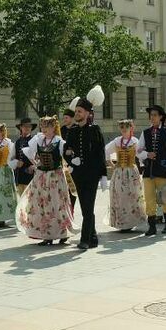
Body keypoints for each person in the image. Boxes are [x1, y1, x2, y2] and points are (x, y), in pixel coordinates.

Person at [16, 116, 74, 245]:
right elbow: (29, 153)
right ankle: (46, 234)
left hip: (55, 177)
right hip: (41, 176)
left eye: (46, 127)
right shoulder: (38, 140)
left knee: (56, 204)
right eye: (42, 127)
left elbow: (67, 158)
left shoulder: (60, 142)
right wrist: (36, 164)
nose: (44, 129)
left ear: (53, 127)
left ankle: (62, 232)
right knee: (41, 205)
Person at [64, 87, 108, 249]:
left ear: (88, 113)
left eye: (80, 111)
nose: (77, 114)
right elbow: (66, 150)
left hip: (92, 174)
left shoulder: (95, 130)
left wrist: (103, 175)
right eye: (76, 111)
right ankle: (94, 237)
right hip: (78, 174)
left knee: (88, 208)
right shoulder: (73, 131)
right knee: (85, 207)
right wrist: (71, 159)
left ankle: (85, 240)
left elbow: (100, 153)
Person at [138, 105, 166, 236]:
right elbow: (138, 151)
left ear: (161, 117)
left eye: (155, 115)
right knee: (149, 199)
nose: (152, 117)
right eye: (151, 115)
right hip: (148, 171)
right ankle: (152, 226)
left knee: (164, 198)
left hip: (162, 170)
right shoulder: (145, 133)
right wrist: (146, 155)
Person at [105, 119, 146, 231]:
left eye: (126, 127)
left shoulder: (135, 141)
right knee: (120, 197)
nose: (123, 130)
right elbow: (106, 151)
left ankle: (133, 221)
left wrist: (143, 164)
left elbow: (141, 154)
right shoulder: (117, 141)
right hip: (119, 172)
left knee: (133, 195)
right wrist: (111, 164)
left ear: (130, 128)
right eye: (121, 127)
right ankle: (122, 223)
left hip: (131, 171)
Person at [60, 107, 79, 213]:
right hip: (63, 163)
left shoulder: (77, 129)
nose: (65, 120)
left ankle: (71, 210)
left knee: (73, 188)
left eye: (66, 118)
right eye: (64, 118)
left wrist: (72, 151)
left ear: (72, 118)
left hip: (74, 163)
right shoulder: (62, 130)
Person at [11, 117, 36, 196]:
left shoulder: (35, 140)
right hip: (19, 174)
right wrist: (16, 162)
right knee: (21, 199)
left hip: (30, 173)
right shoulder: (17, 142)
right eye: (25, 126)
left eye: (29, 126)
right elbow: (12, 157)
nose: (27, 128)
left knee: (30, 199)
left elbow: (39, 157)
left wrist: (34, 166)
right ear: (21, 128)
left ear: (31, 128)